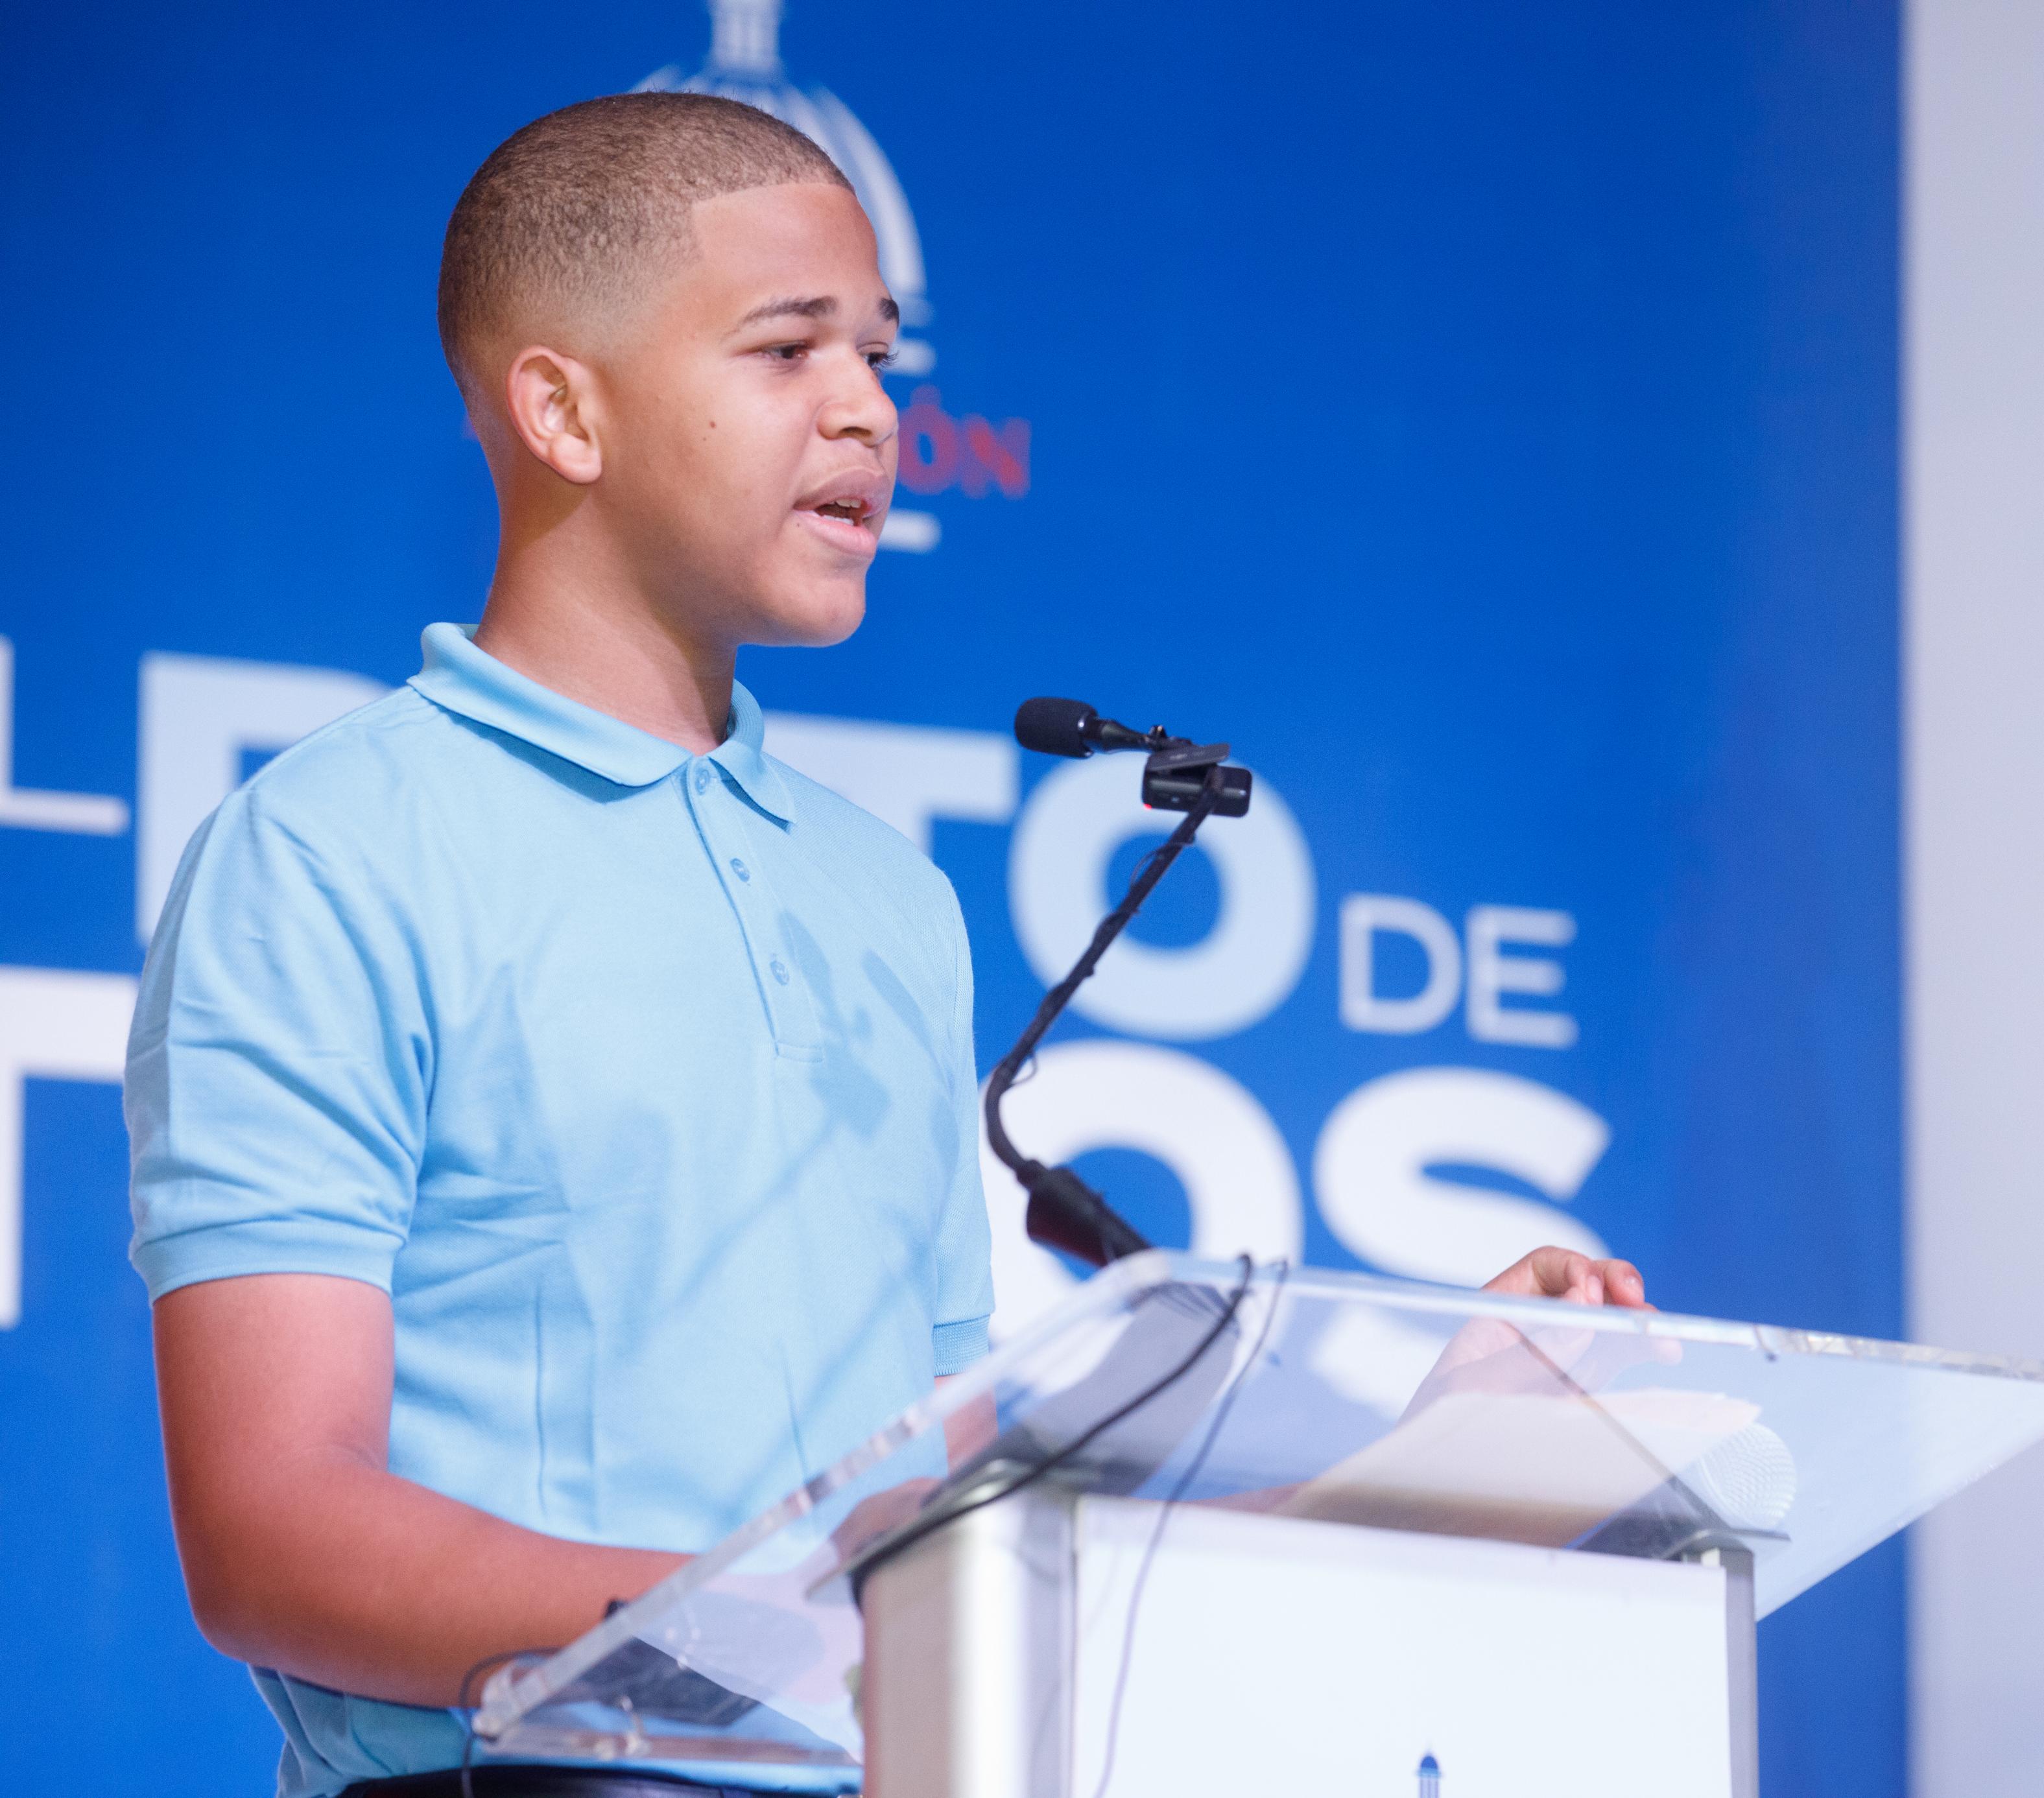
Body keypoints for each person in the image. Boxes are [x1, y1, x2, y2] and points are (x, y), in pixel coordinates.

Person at [127, 92, 1648, 1798]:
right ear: (562, 409)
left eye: (880, 351)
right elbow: (271, 1533)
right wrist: (774, 1637)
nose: (870, 408)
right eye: (788, 352)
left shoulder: (887, 900)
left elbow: (939, 1508)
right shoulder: (332, 851)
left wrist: (1407, 1455)